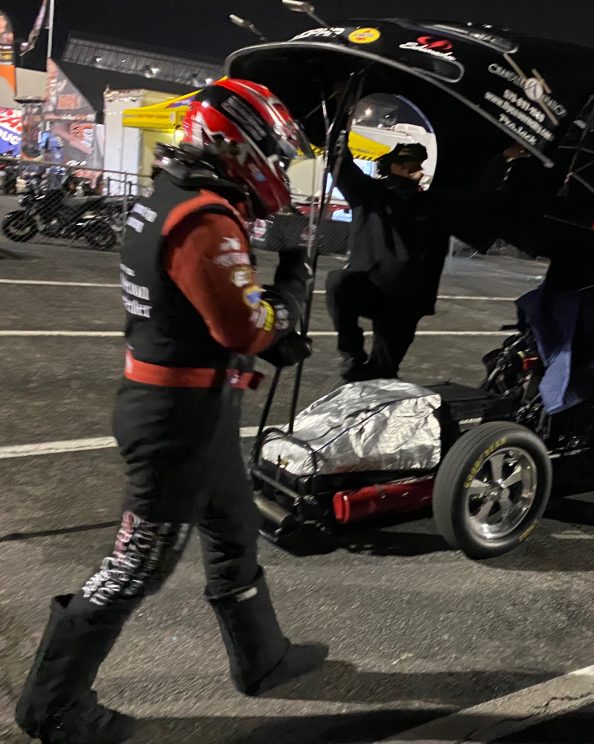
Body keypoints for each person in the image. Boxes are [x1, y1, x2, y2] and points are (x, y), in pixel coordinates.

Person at [15, 79, 325, 744]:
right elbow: (247, 327)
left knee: (234, 529)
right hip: (174, 420)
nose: (278, 167)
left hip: (194, 410)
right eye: (272, 152)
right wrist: (295, 272)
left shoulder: (170, 195)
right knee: (137, 566)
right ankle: (53, 708)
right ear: (236, 145)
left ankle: (262, 658)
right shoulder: (204, 217)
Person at [326, 139, 527, 382]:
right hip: (371, 288)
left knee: (382, 372)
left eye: (419, 166)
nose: (419, 173)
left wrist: (503, 158)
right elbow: (341, 165)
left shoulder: (435, 203)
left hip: (405, 303)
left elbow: (477, 196)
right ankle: (351, 355)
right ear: (396, 167)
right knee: (338, 281)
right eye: (412, 167)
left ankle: (366, 398)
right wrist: (341, 126)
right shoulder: (369, 194)